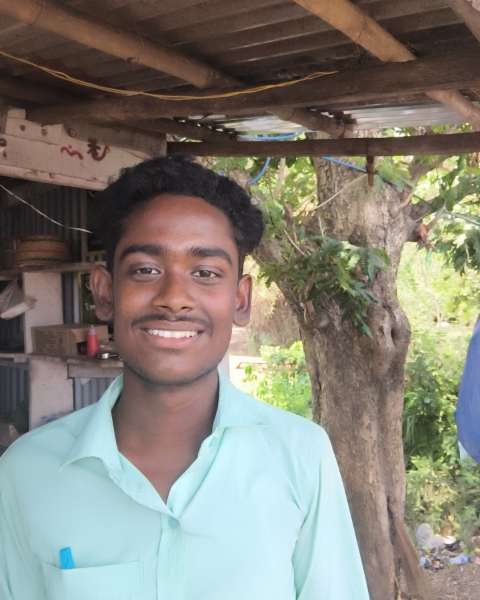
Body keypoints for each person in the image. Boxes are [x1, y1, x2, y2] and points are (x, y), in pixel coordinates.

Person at [0, 156, 369, 599]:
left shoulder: (299, 455)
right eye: (146, 270)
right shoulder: (27, 473)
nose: (174, 298)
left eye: (205, 273)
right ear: (104, 292)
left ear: (240, 300)